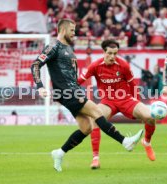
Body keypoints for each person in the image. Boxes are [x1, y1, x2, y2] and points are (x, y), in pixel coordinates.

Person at [30, 19, 143, 172]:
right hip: (67, 91)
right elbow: (36, 64)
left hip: (72, 91)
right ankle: (125, 141)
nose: (74, 33)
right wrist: (40, 86)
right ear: (62, 30)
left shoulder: (68, 48)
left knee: (86, 128)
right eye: (72, 30)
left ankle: (59, 153)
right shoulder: (53, 46)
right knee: (96, 112)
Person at [78, 39, 157, 169]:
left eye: (115, 53)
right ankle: (96, 158)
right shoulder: (95, 66)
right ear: (103, 52)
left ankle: (147, 142)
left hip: (125, 99)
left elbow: (133, 85)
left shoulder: (124, 65)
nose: (113, 57)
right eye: (109, 53)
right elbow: (80, 80)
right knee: (95, 119)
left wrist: (136, 101)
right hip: (108, 102)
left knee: (150, 117)